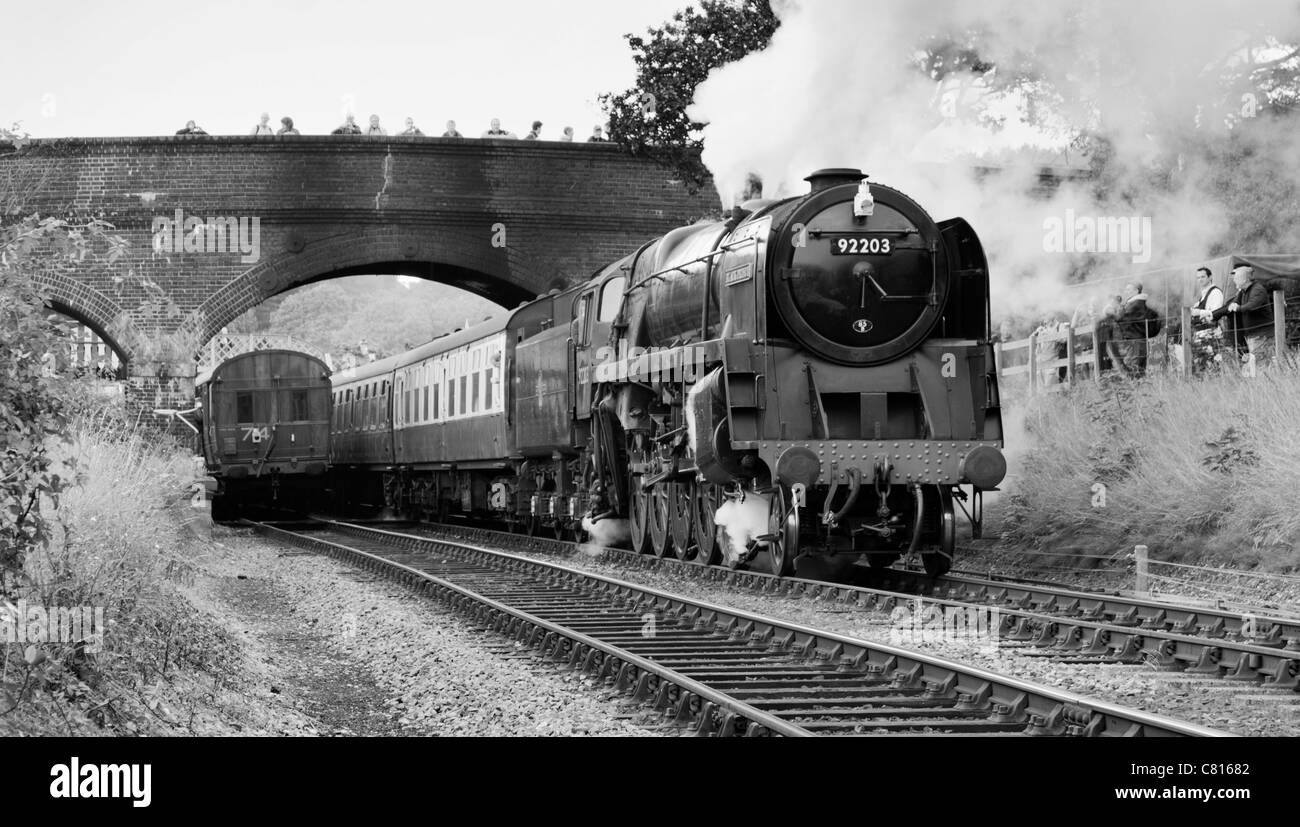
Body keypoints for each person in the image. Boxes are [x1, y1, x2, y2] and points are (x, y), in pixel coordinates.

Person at [1209, 264, 1273, 374]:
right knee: (1255, 365)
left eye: (1236, 278)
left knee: (1261, 364)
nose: (1234, 281)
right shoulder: (1244, 291)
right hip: (1253, 334)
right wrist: (1212, 315)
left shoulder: (1257, 289)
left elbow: (1252, 305)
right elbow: (1231, 305)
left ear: (1244, 279)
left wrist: (1238, 308)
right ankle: (1259, 386)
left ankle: (1265, 385)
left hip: (1262, 334)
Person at [1188, 266, 1226, 372]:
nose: (1200, 280)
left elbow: (1216, 313)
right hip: (1202, 334)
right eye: (1198, 277)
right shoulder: (1203, 294)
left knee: (1212, 363)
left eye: (1203, 277)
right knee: (1202, 363)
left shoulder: (1215, 293)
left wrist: (1198, 312)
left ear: (1210, 277)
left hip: (1211, 333)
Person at [1114, 282, 1154, 377]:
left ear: (1136, 291)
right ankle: (1141, 389)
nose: (1126, 292)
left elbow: (1120, 318)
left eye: (1128, 290)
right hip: (1139, 340)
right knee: (1140, 370)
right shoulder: (1138, 302)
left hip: (1134, 341)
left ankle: (1133, 389)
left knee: (1131, 367)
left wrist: (1116, 308)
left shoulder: (1135, 303)